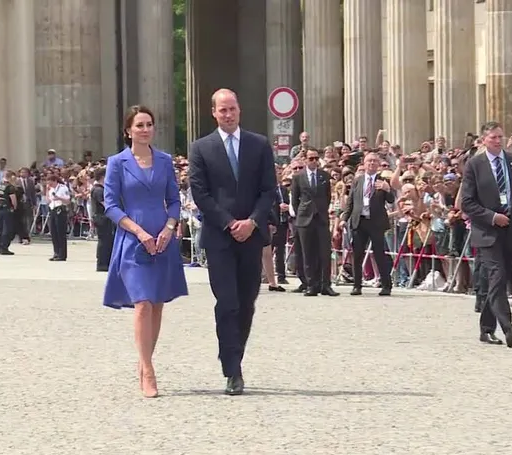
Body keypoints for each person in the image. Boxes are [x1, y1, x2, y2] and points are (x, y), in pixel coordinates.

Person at [188, 89, 276, 395]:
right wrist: (228, 222)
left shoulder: (259, 144)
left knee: (247, 302)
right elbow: (200, 193)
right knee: (227, 302)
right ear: (214, 112)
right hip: (219, 237)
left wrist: (252, 221)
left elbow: (268, 189)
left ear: (239, 110)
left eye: (232, 109)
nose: (228, 114)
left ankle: (235, 353)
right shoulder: (201, 148)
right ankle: (232, 368)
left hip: (252, 235)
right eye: (222, 110)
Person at [103, 105, 188, 398]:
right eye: (139, 125)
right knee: (142, 302)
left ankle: (144, 361)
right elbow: (111, 205)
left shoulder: (165, 161)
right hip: (132, 239)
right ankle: (149, 370)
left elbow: (174, 200)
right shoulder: (117, 163)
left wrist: (169, 227)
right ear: (128, 130)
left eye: (149, 124)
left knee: (157, 302)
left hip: (163, 237)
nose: (145, 129)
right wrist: (138, 232)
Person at [460, 121, 512, 348]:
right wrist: (492, 217)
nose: (497, 140)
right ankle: (508, 327)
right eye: (493, 137)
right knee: (497, 275)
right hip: (487, 231)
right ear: (484, 140)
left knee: (500, 279)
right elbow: (467, 202)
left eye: (500, 136)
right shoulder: (475, 165)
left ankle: (486, 328)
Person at [337, 151, 395, 296]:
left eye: (374, 161)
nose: (372, 163)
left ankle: (386, 285)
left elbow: (391, 200)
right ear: (364, 163)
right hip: (359, 221)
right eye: (369, 161)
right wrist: (344, 219)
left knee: (379, 254)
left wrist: (387, 189)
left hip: (375, 222)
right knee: (357, 255)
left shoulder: (383, 180)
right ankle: (357, 285)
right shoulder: (358, 180)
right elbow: (350, 202)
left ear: (378, 164)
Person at [291, 149, 339, 297]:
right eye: (311, 158)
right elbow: (295, 199)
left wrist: (321, 209)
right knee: (308, 253)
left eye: (316, 158)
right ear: (305, 160)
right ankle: (311, 285)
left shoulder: (324, 175)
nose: (314, 161)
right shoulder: (298, 177)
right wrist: (302, 213)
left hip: (321, 218)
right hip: (305, 218)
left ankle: (326, 285)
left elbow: (327, 196)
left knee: (324, 253)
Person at [90, 167, 115, 272]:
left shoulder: (100, 189)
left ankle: (105, 262)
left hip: (103, 218)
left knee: (107, 241)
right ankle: (102, 263)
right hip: (102, 218)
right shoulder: (98, 190)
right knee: (104, 241)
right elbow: (106, 204)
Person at [46, 174, 71, 261]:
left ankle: (62, 254)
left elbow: (67, 201)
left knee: (60, 233)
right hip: (53, 209)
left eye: (51, 183)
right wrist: (47, 191)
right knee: (53, 232)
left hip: (60, 209)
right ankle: (56, 252)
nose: (50, 185)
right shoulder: (51, 189)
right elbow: (48, 201)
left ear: (55, 181)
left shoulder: (63, 188)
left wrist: (58, 198)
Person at [0, 170, 17, 256]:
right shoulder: (10, 187)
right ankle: (4, 248)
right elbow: (13, 199)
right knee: (7, 229)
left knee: (0, 228)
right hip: (7, 208)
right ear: (11, 177)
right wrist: (14, 207)